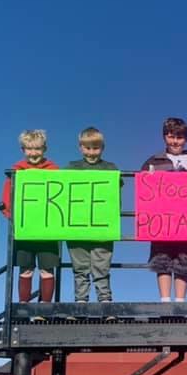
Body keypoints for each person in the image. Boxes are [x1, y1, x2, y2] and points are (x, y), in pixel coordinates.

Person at [142, 117, 187, 302]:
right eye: (171, 136)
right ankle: (165, 300)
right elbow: (143, 190)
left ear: (186, 138)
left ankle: (180, 302)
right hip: (161, 221)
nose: (175, 141)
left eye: (179, 137)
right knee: (162, 259)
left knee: (184, 260)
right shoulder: (153, 161)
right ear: (164, 137)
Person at [1, 129, 60, 312]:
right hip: (24, 230)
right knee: (26, 269)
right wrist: (11, 215)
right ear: (23, 150)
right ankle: (24, 307)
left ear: (45, 149)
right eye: (29, 149)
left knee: (47, 270)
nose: (33, 153)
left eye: (37, 149)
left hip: (47, 230)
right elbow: (7, 199)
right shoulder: (16, 172)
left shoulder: (54, 171)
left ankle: (45, 308)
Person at [66, 127, 118, 305]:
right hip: (77, 226)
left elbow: (115, 191)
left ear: (102, 148)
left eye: (95, 148)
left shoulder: (110, 169)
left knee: (101, 266)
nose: (91, 152)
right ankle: (81, 301)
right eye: (87, 148)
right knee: (79, 267)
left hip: (102, 225)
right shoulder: (71, 168)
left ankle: (105, 301)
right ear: (81, 148)